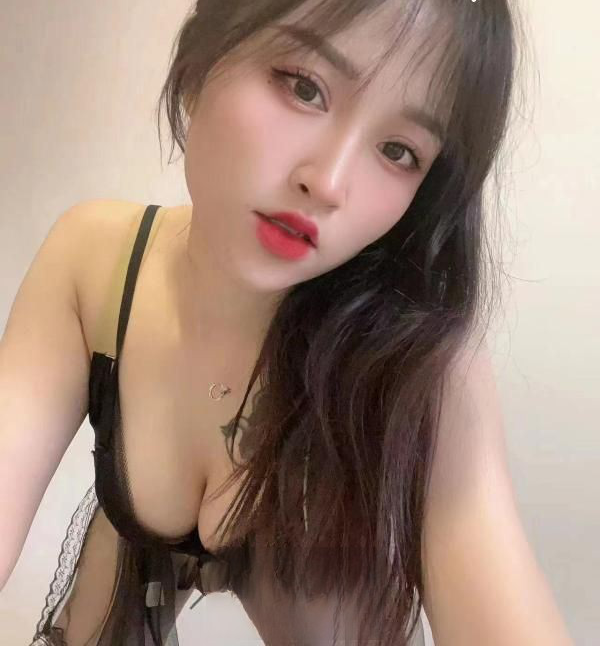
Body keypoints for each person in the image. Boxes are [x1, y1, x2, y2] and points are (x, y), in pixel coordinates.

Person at [0, 0, 575, 644]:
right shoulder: (96, 260)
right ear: (203, 56)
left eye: (398, 150)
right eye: (304, 87)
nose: (328, 183)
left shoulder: (421, 362)